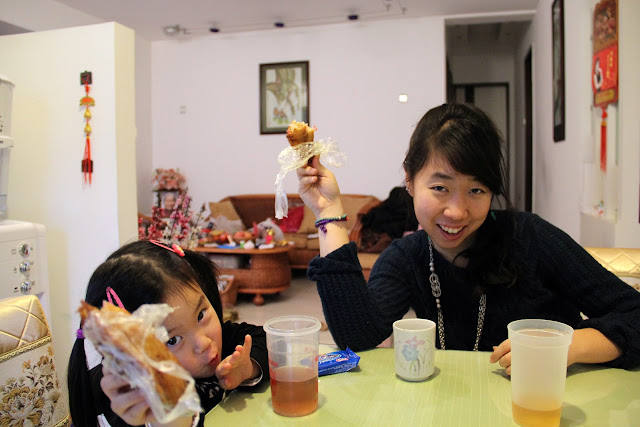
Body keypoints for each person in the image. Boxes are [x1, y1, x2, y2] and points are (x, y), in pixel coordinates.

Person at [296, 102, 640, 373]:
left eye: (476, 190)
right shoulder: (407, 257)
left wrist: (565, 347)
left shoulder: (531, 238)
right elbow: (358, 338)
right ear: (410, 181)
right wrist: (329, 212)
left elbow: (633, 313)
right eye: (440, 188)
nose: (457, 212)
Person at [67, 240, 268, 426]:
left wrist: (248, 368)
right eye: (173, 340)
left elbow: (267, 339)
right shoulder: (127, 398)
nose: (203, 343)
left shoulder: (220, 340)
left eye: (200, 315)